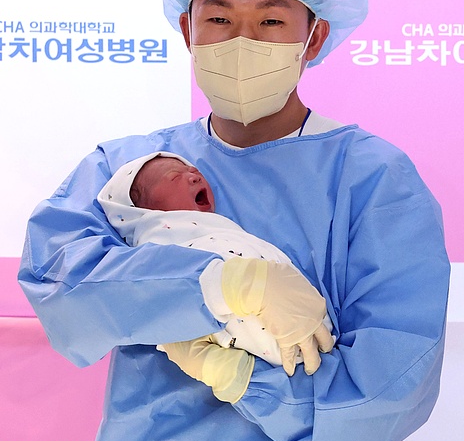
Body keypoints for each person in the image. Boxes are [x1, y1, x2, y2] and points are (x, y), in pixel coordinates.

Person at [19, 0, 450, 441]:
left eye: (271, 20)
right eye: (219, 18)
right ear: (187, 29)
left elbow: (390, 386)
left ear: (314, 38)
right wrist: (220, 286)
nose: (242, 41)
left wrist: (243, 376)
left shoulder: (371, 179)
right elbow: (62, 287)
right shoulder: (128, 170)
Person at [98, 151, 335, 368]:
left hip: (294, 310)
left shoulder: (218, 227)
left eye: (193, 171)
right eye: (175, 177)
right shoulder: (157, 238)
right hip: (248, 322)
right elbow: (164, 287)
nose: (194, 177)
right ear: (141, 210)